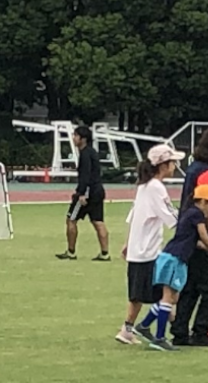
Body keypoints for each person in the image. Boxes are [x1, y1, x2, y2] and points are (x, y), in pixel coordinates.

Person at [165, 126, 208, 346]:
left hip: (184, 236)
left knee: (191, 286)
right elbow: (206, 212)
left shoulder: (193, 168)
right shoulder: (207, 173)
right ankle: (201, 330)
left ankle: (180, 332)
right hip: (197, 237)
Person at [121, 144, 180, 346]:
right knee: (167, 293)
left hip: (139, 248)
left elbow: (134, 216)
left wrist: (128, 242)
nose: (175, 165)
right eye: (173, 162)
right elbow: (170, 215)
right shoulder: (156, 188)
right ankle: (175, 328)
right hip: (149, 250)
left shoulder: (143, 187)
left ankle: (128, 329)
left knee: (139, 294)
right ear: (163, 165)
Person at [59, 122, 110, 260]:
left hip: (88, 193)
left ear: (83, 139)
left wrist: (82, 194)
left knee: (71, 219)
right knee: (98, 221)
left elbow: (86, 175)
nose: (73, 138)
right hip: (98, 191)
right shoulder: (92, 152)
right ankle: (105, 253)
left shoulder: (85, 154)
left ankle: (71, 252)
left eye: (76, 135)